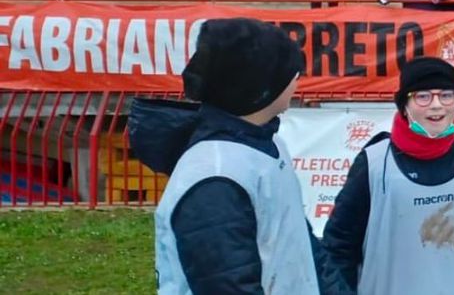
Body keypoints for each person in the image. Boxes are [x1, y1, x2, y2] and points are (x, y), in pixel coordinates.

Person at [131, 18, 349, 294]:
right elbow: (227, 281)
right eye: (290, 72)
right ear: (261, 89)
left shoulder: (269, 144)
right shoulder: (215, 176)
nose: (297, 78)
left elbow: (301, 243)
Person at [323, 56, 454, 294]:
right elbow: (339, 246)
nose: (437, 105)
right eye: (423, 96)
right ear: (404, 104)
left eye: (446, 95)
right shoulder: (375, 162)